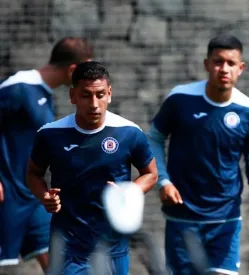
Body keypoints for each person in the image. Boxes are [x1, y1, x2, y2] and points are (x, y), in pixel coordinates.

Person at [147, 34, 249, 275]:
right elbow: (154, 138)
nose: (224, 69)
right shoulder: (180, 98)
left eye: (231, 63)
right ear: (206, 64)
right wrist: (163, 181)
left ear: (241, 68)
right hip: (183, 215)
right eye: (218, 61)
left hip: (226, 218)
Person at [25, 61, 157, 274]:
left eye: (100, 95)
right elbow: (33, 173)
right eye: (86, 95)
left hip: (114, 248)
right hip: (68, 248)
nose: (94, 104)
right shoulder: (50, 135)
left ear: (110, 94)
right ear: (73, 96)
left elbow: (150, 174)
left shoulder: (129, 133)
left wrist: (130, 191)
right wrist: (44, 196)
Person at [0, 37, 93, 271]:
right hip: (7, 197)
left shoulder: (44, 93)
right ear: (72, 69)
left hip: (33, 197)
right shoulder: (18, 88)